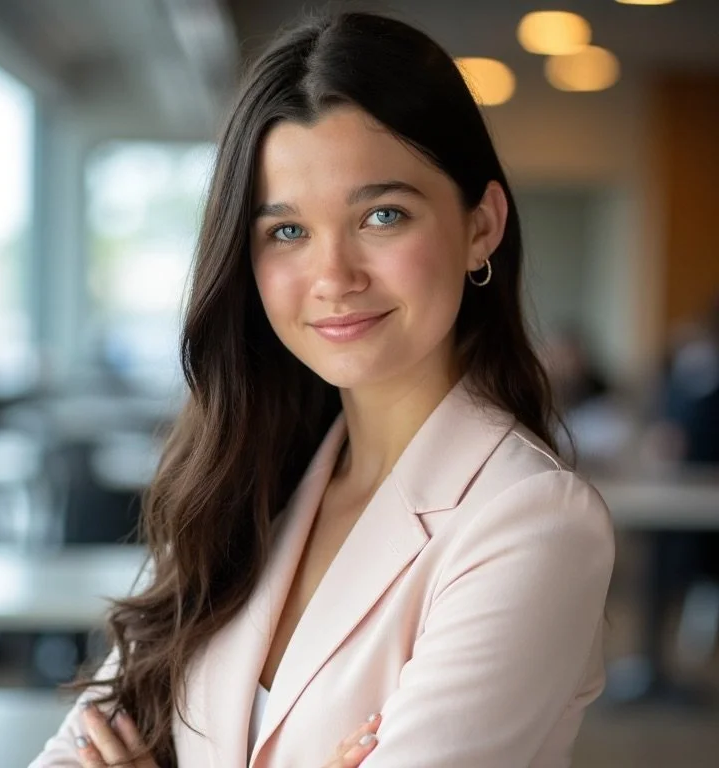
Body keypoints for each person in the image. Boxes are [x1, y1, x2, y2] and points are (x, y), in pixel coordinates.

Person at [30, 11, 614, 768]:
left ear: (482, 224)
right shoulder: (244, 481)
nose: (334, 278)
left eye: (382, 215)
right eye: (287, 232)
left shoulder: (531, 522)